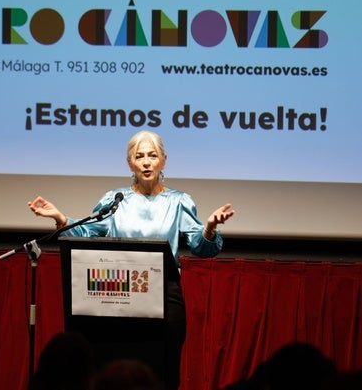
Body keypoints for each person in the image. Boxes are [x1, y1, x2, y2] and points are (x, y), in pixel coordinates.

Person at [28, 130, 235, 390]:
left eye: (152, 156)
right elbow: (85, 233)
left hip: (163, 298)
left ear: (164, 160)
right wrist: (60, 218)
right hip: (118, 295)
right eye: (139, 157)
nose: (146, 162)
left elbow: (202, 248)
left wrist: (210, 229)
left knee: (162, 372)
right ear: (130, 163)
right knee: (118, 369)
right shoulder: (116, 200)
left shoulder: (179, 201)